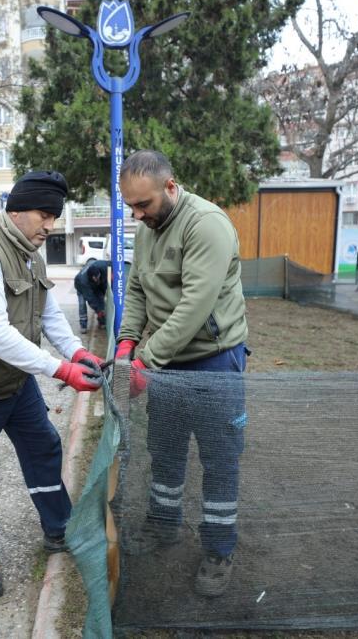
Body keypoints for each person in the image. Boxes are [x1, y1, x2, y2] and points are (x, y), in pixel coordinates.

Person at [0, 170, 105, 600]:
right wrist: (61, 371)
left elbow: (47, 317)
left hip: (15, 384)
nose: (50, 226)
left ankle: (58, 529)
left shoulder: (31, 253)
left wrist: (77, 352)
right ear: (15, 210)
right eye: (43, 215)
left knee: (44, 450)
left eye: (55, 216)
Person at [114, 149, 249, 598]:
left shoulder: (206, 224)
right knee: (165, 449)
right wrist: (126, 344)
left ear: (170, 187)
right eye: (130, 206)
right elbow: (136, 290)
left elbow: (195, 307)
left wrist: (144, 362)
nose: (137, 214)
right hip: (165, 361)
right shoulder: (147, 230)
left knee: (219, 458)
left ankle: (218, 549)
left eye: (144, 204)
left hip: (214, 360)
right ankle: (164, 526)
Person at [73, 259, 110, 331]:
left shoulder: (101, 266)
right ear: (92, 277)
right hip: (81, 287)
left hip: (93, 285)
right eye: (96, 278)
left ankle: (101, 322)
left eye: (98, 277)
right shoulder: (82, 282)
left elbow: (112, 264)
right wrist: (98, 310)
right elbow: (91, 299)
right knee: (82, 304)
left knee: (101, 300)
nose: (97, 279)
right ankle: (83, 325)